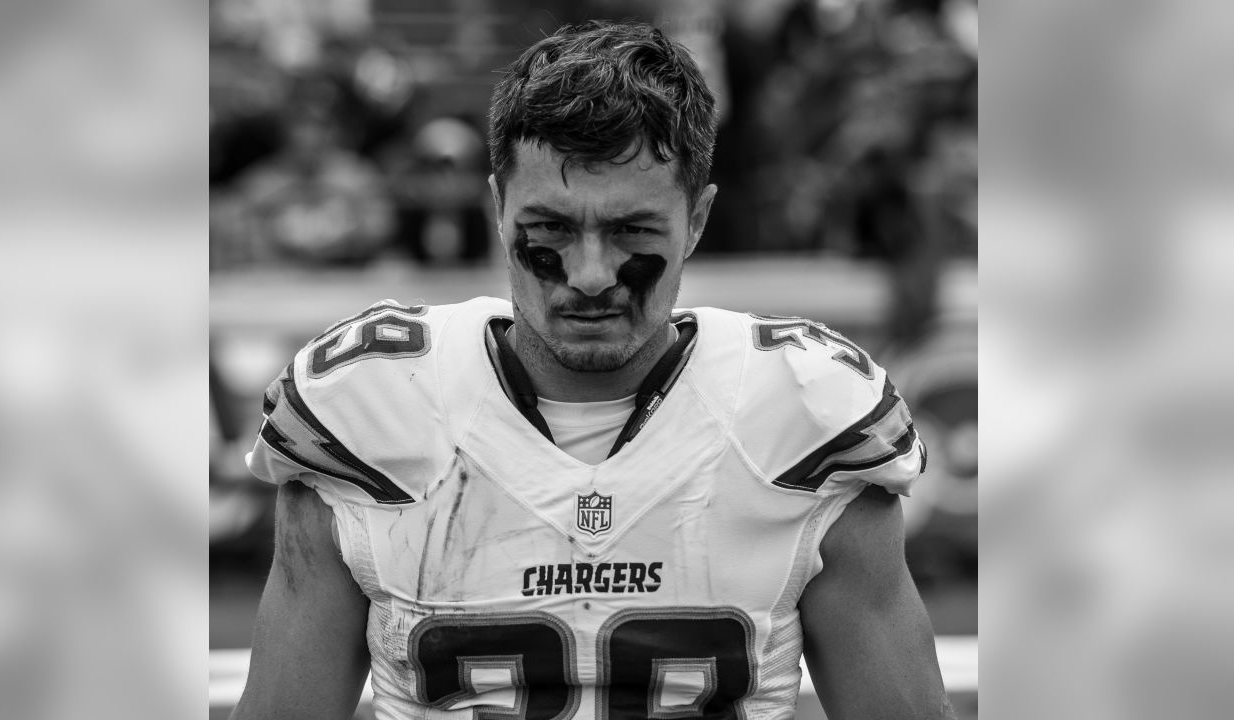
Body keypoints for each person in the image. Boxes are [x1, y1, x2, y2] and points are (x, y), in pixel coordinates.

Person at [233, 20, 955, 720]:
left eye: (632, 230)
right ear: (497, 206)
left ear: (697, 220)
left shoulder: (803, 409)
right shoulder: (369, 406)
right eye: (549, 229)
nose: (588, 274)